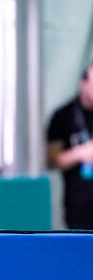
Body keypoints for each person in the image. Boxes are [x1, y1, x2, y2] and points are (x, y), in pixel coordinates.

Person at [46, 60, 93, 230]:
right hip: (79, 209)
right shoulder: (63, 117)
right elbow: (51, 160)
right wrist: (82, 153)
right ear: (84, 84)